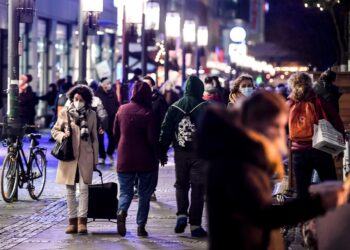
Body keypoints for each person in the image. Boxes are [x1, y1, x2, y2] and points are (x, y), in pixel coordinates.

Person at [196, 91, 349, 250]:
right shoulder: (234, 163)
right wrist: (318, 203)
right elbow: (261, 216)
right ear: (257, 124)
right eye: (276, 125)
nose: (280, 134)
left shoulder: (244, 156)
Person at [159, 75, 208, 237]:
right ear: (200, 89)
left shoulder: (174, 107)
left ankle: (181, 214)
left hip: (180, 152)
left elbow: (165, 130)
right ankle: (195, 225)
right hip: (200, 154)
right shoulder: (206, 106)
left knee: (181, 184)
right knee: (198, 187)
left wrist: (162, 152)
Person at [287, 72, 344, 199]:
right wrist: (340, 145)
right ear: (309, 84)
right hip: (320, 148)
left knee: (302, 192)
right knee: (331, 187)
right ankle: (332, 216)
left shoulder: (289, 103)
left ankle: (306, 217)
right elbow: (335, 120)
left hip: (298, 153)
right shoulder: (318, 100)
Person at [51, 85, 98, 235]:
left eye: (81, 99)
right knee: (70, 190)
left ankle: (82, 221)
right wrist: (61, 136)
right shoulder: (65, 112)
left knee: (84, 189)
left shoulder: (91, 115)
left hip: (86, 156)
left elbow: (94, 138)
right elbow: (55, 130)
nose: (77, 102)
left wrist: (95, 159)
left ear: (87, 100)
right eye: (75, 99)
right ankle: (72, 222)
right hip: (69, 157)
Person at [114, 81, 158, 237]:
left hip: (124, 158)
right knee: (144, 194)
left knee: (125, 192)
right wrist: (158, 154)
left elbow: (115, 134)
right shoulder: (148, 112)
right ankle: (141, 227)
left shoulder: (122, 109)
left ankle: (121, 211)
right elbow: (152, 139)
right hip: (145, 159)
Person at [143, 75, 168, 201]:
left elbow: (164, 118)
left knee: (153, 164)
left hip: (154, 136)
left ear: (153, 86)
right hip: (141, 138)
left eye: (148, 84)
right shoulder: (138, 99)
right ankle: (141, 188)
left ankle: (151, 190)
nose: (146, 87)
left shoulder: (159, 99)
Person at [95, 77, 119, 164]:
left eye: (109, 83)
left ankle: (109, 152)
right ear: (102, 84)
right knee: (99, 139)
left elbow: (116, 104)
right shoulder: (97, 93)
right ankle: (102, 156)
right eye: (107, 83)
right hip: (100, 120)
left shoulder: (112, 92)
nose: (109, 84)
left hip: (111, 119)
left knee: (112, 137)